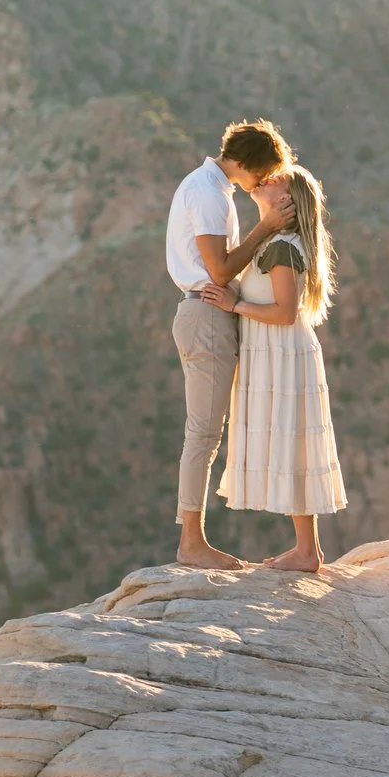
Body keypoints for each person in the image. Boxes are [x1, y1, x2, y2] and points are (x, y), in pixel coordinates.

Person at [204, 158, 346, 570]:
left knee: (292, 441)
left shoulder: (283, 247)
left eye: (276, 178)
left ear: (288, 200)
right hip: (276, 352)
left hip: (282, 351)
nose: (266, 178)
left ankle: (307, 552)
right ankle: (307, 550)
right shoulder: (273, 241)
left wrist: (236, 304)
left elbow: (285, 312)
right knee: (292, 442)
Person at [164, 119, 294, 568]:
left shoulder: (212, 189)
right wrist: (267, 226)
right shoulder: (207, 195)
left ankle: (193, 540)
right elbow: (219, 271)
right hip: (205, 312)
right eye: (259, 174)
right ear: (240, 164)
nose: (260, 183)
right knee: (203, 432)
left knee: (207, 431)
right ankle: (191, 544)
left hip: (207, 312)